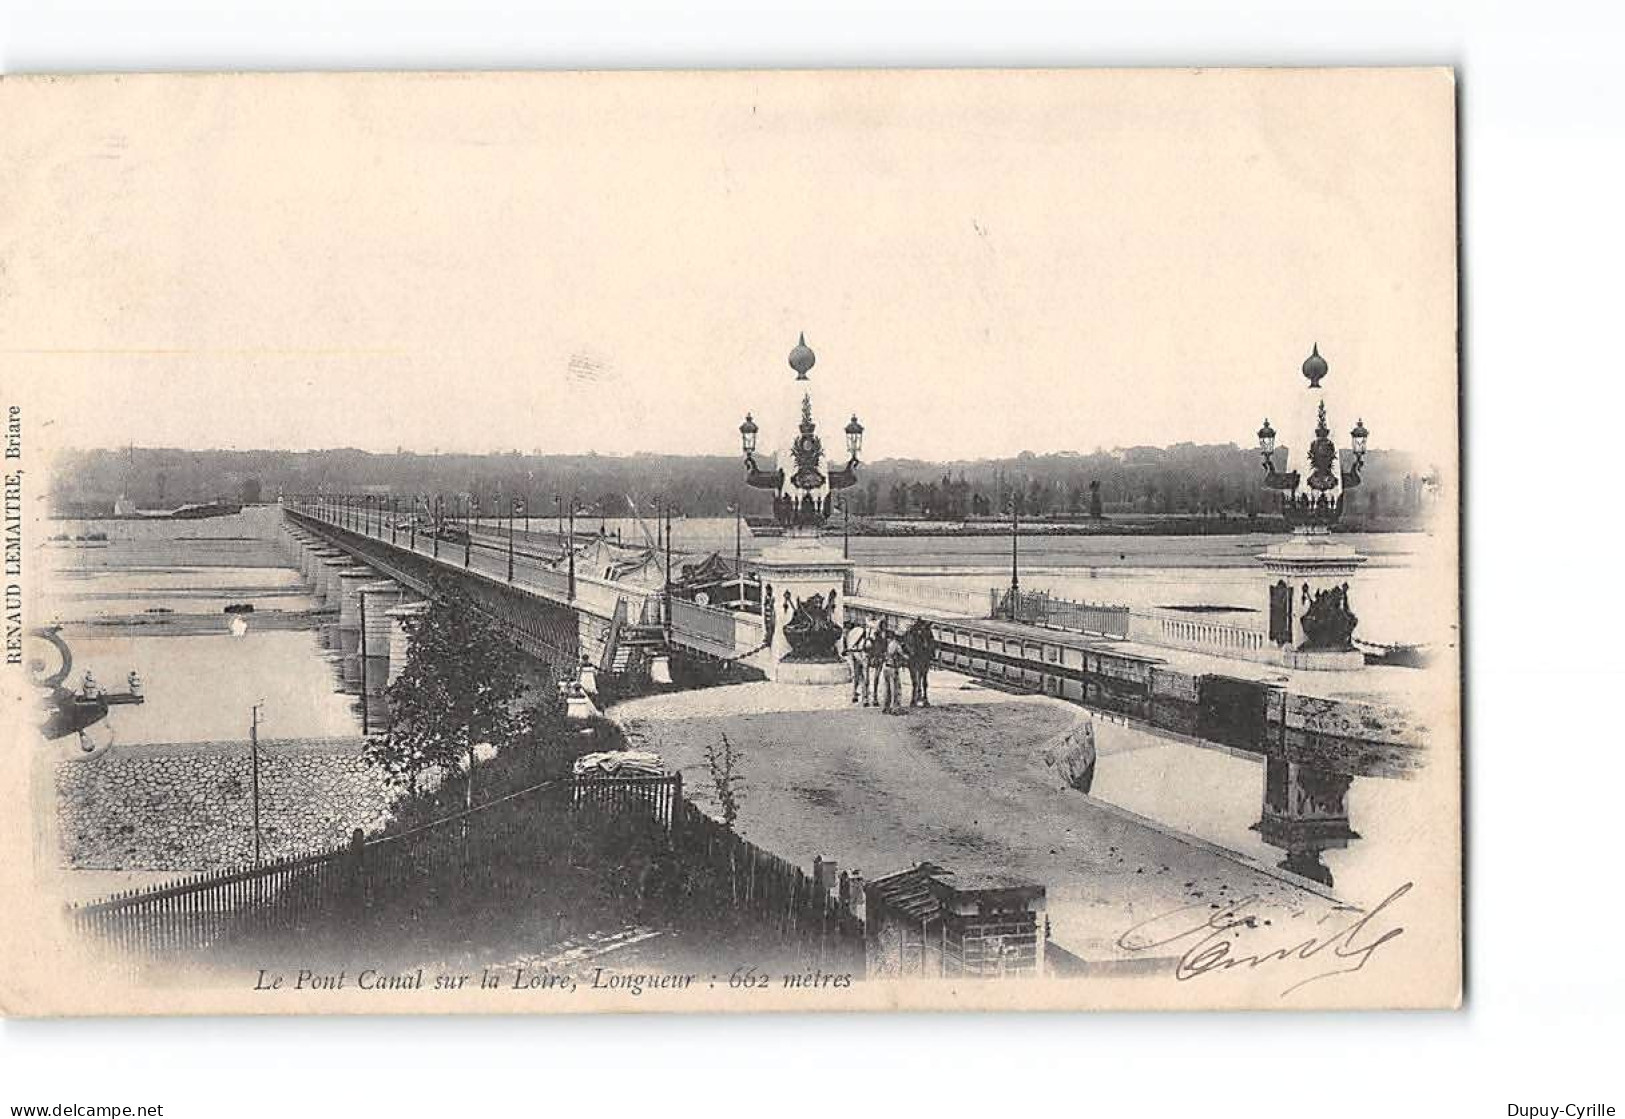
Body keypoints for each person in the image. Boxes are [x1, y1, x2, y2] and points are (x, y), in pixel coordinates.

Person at [842, 621, 869, 704]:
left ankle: (863, 696)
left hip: (860, 654)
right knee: (857, 675)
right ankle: (858, 694)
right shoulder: (852, 634)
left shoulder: (860, 633)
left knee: (862, 676)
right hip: (856, 654)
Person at [881, 628, 906, 715]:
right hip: (893, 668)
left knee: (887, 689)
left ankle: (886, 707)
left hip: (886, 667)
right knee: (896, 689)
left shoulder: (890, 643)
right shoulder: (897, 645)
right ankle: (896, 708)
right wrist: (909, 657)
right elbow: (902, 655)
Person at [864, 620, 886, 707]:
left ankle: (875, 697)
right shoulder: (871, 637)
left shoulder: (882, 638)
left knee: (876, 679)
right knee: (867, 679)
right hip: (871, 655)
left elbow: (884, 648)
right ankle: (866, 697)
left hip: (879, 657)